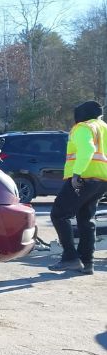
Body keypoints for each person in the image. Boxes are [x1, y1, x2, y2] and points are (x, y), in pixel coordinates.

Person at [49, 100, 107, 274]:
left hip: (84, 177)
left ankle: (70, 258)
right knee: (86, 219)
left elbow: (87, 149)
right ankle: (87, 262)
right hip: (101, 180)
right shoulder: (103, 127)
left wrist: (77, 174)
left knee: (59, 214)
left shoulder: (83, 127)